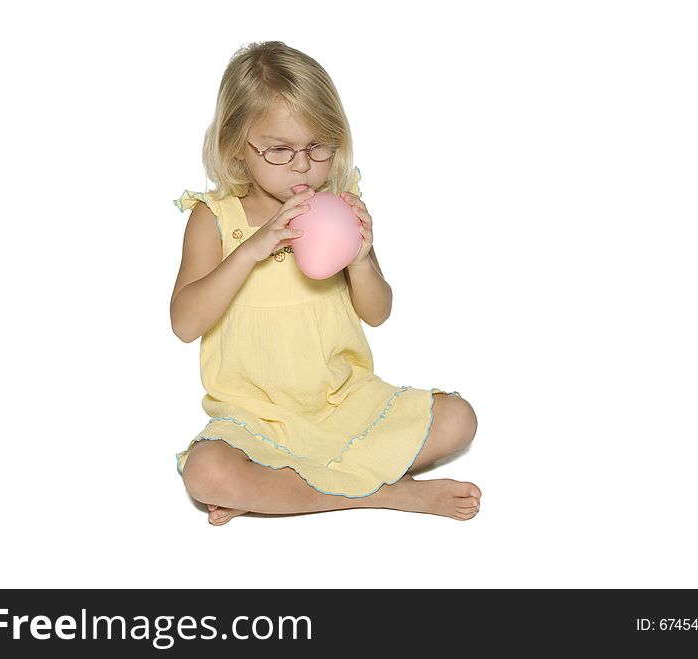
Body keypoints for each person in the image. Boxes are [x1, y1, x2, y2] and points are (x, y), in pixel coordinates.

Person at [170, 41, 481, 525]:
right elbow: (185, 324)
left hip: (345, 401)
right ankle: (387, 493)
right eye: (280, 149)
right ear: (236, 145)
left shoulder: (337, 205)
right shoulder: (216, 220)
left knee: (459, 418)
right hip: (257, 417)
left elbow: (377, 313)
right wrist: (252, 249)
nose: (302, 164)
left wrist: (361, 257)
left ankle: (278, 491)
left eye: (318, 146)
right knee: (207, 472)